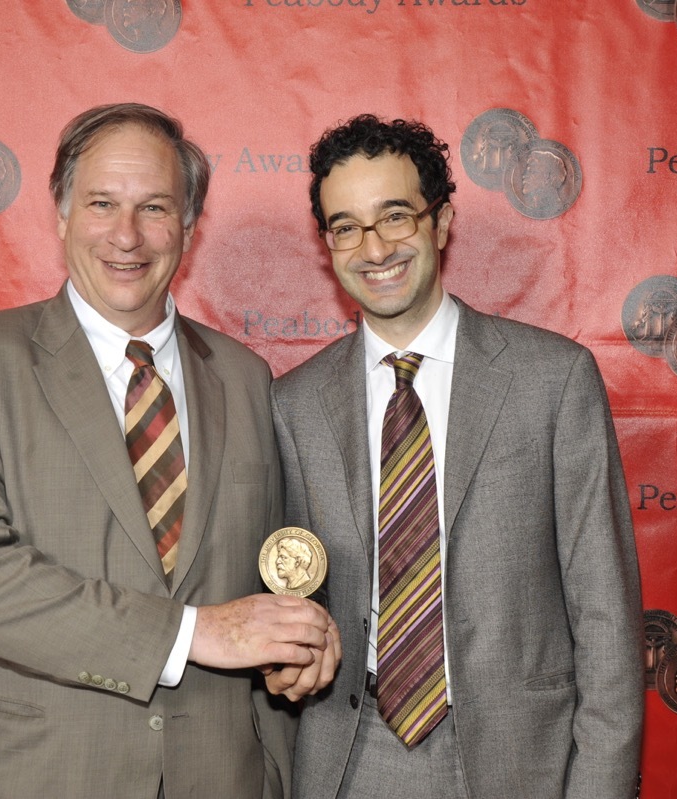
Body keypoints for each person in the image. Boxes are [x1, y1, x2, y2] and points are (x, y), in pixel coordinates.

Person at [0, 102, 338, 799]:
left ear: (189, 228)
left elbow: (279, 566)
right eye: (103, 203)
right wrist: (191, 632)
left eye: (155, 207)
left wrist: (301, 644)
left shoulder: (246, 376)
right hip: (33, 774)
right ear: (61, 215)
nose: (127, 236)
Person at [267, 114, 644, 798]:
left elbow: (606, 617)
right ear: (327, 245)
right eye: (346, 225)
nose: (373, 246)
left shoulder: (553, 380)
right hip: (352, 759)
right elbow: (292, 586)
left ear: (441, 223)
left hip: (521, 759)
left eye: (395, 216)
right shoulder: (294, 404)